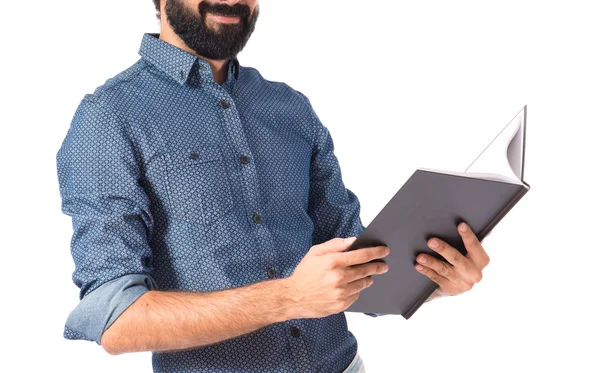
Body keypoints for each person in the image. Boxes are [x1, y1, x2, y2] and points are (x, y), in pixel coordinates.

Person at [55, 1, 490, 372]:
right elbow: (116, 320)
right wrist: (289, 297)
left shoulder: (289, 107)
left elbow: (354, 265)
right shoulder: (108, 117)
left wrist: (432, 279)